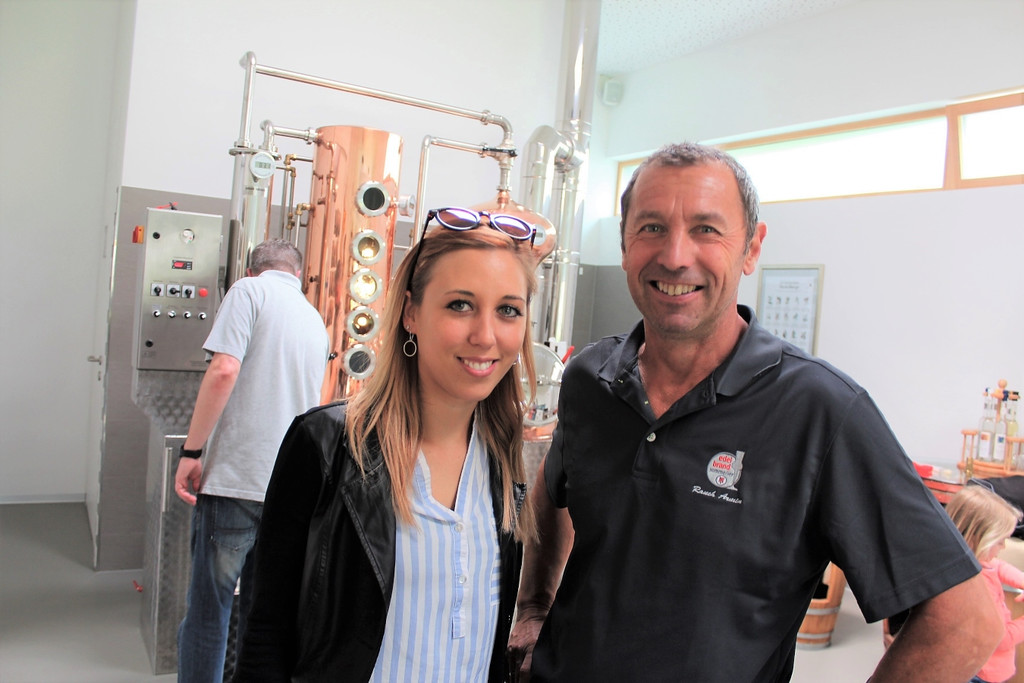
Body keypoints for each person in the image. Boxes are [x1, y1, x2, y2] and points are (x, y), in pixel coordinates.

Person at [507, 142, 1002, 682]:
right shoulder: (590, 378)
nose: (675, 255)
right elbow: (553, 489)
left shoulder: (820, 410)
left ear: (751, 248)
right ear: (624, 243)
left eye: (706, 229)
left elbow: (965, 622)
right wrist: (534, 607)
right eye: (651, 227)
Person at [231, 207, 542, 682]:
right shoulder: (327, 446)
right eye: (460, 305)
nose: (485, 336)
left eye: (508, 310)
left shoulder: (502, 461)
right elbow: (265, 635)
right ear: (411, 313)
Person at [175, 239, 329, 683]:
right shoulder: (314, 318)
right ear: (296, 274)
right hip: (288, 488)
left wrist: (192, 452)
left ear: (252, 269)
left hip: (236, 481)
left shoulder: (248, 291)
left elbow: (224, 369)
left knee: (209, 613)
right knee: (263, 618)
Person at [947, 484, 1024, 683]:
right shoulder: (977, 587)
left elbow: (998, 566)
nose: (1003, 546)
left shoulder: (974, 563)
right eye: (999, 541)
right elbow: (1002, 639)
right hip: (980, 674)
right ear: (976, 538)